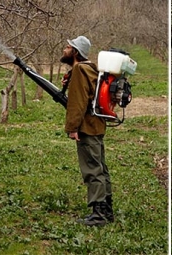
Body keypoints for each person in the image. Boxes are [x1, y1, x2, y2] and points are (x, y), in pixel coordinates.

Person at [60, 35, 113, 226]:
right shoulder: (91, 69)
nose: (65, 49)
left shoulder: (80, 69)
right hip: (96, 125)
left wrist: (72, 128)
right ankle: (107, 210)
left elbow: (78, 102)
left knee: (92, 169)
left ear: (75, 52)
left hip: (87, 128)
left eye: (68, 47)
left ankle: (99, 214)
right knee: (101, 168)